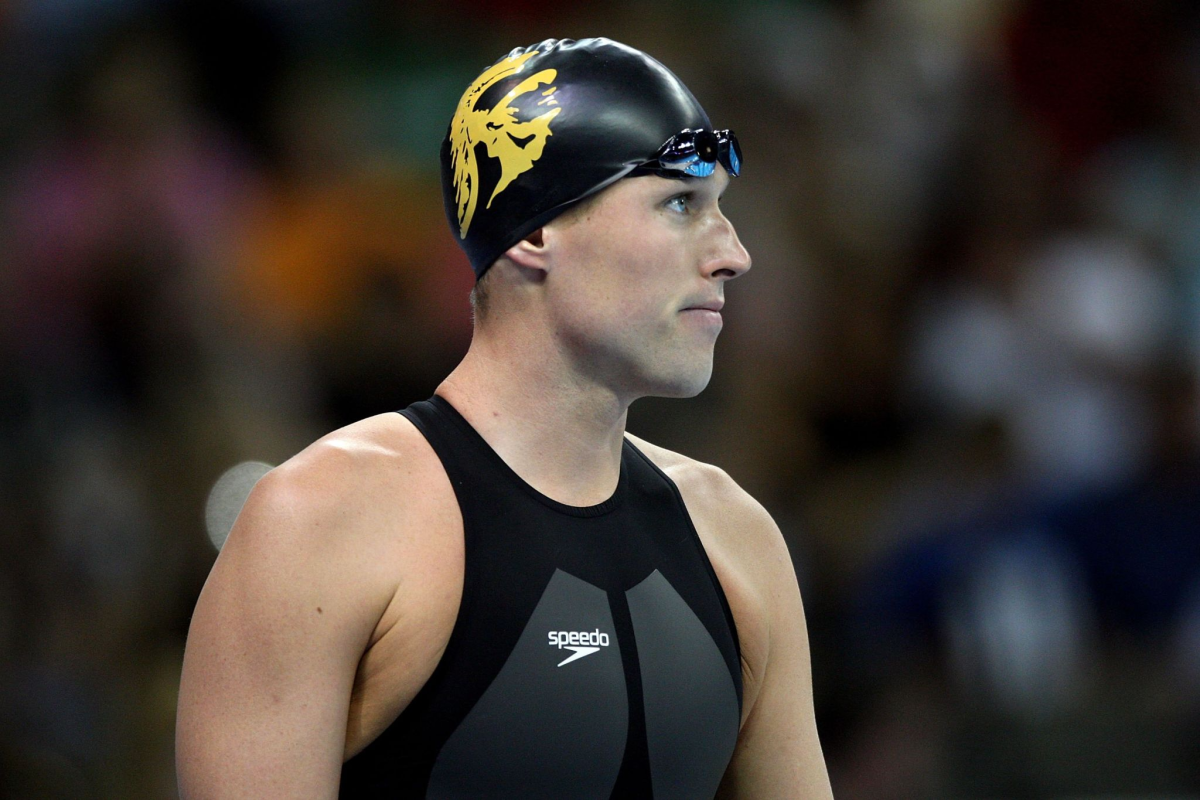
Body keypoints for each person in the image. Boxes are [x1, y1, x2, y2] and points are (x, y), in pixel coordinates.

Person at [177, 38, 834, 798]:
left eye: (722, 207)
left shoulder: (738, 539)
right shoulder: (324, 523)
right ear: (534, 232)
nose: (734, 254)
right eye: (681, 202)